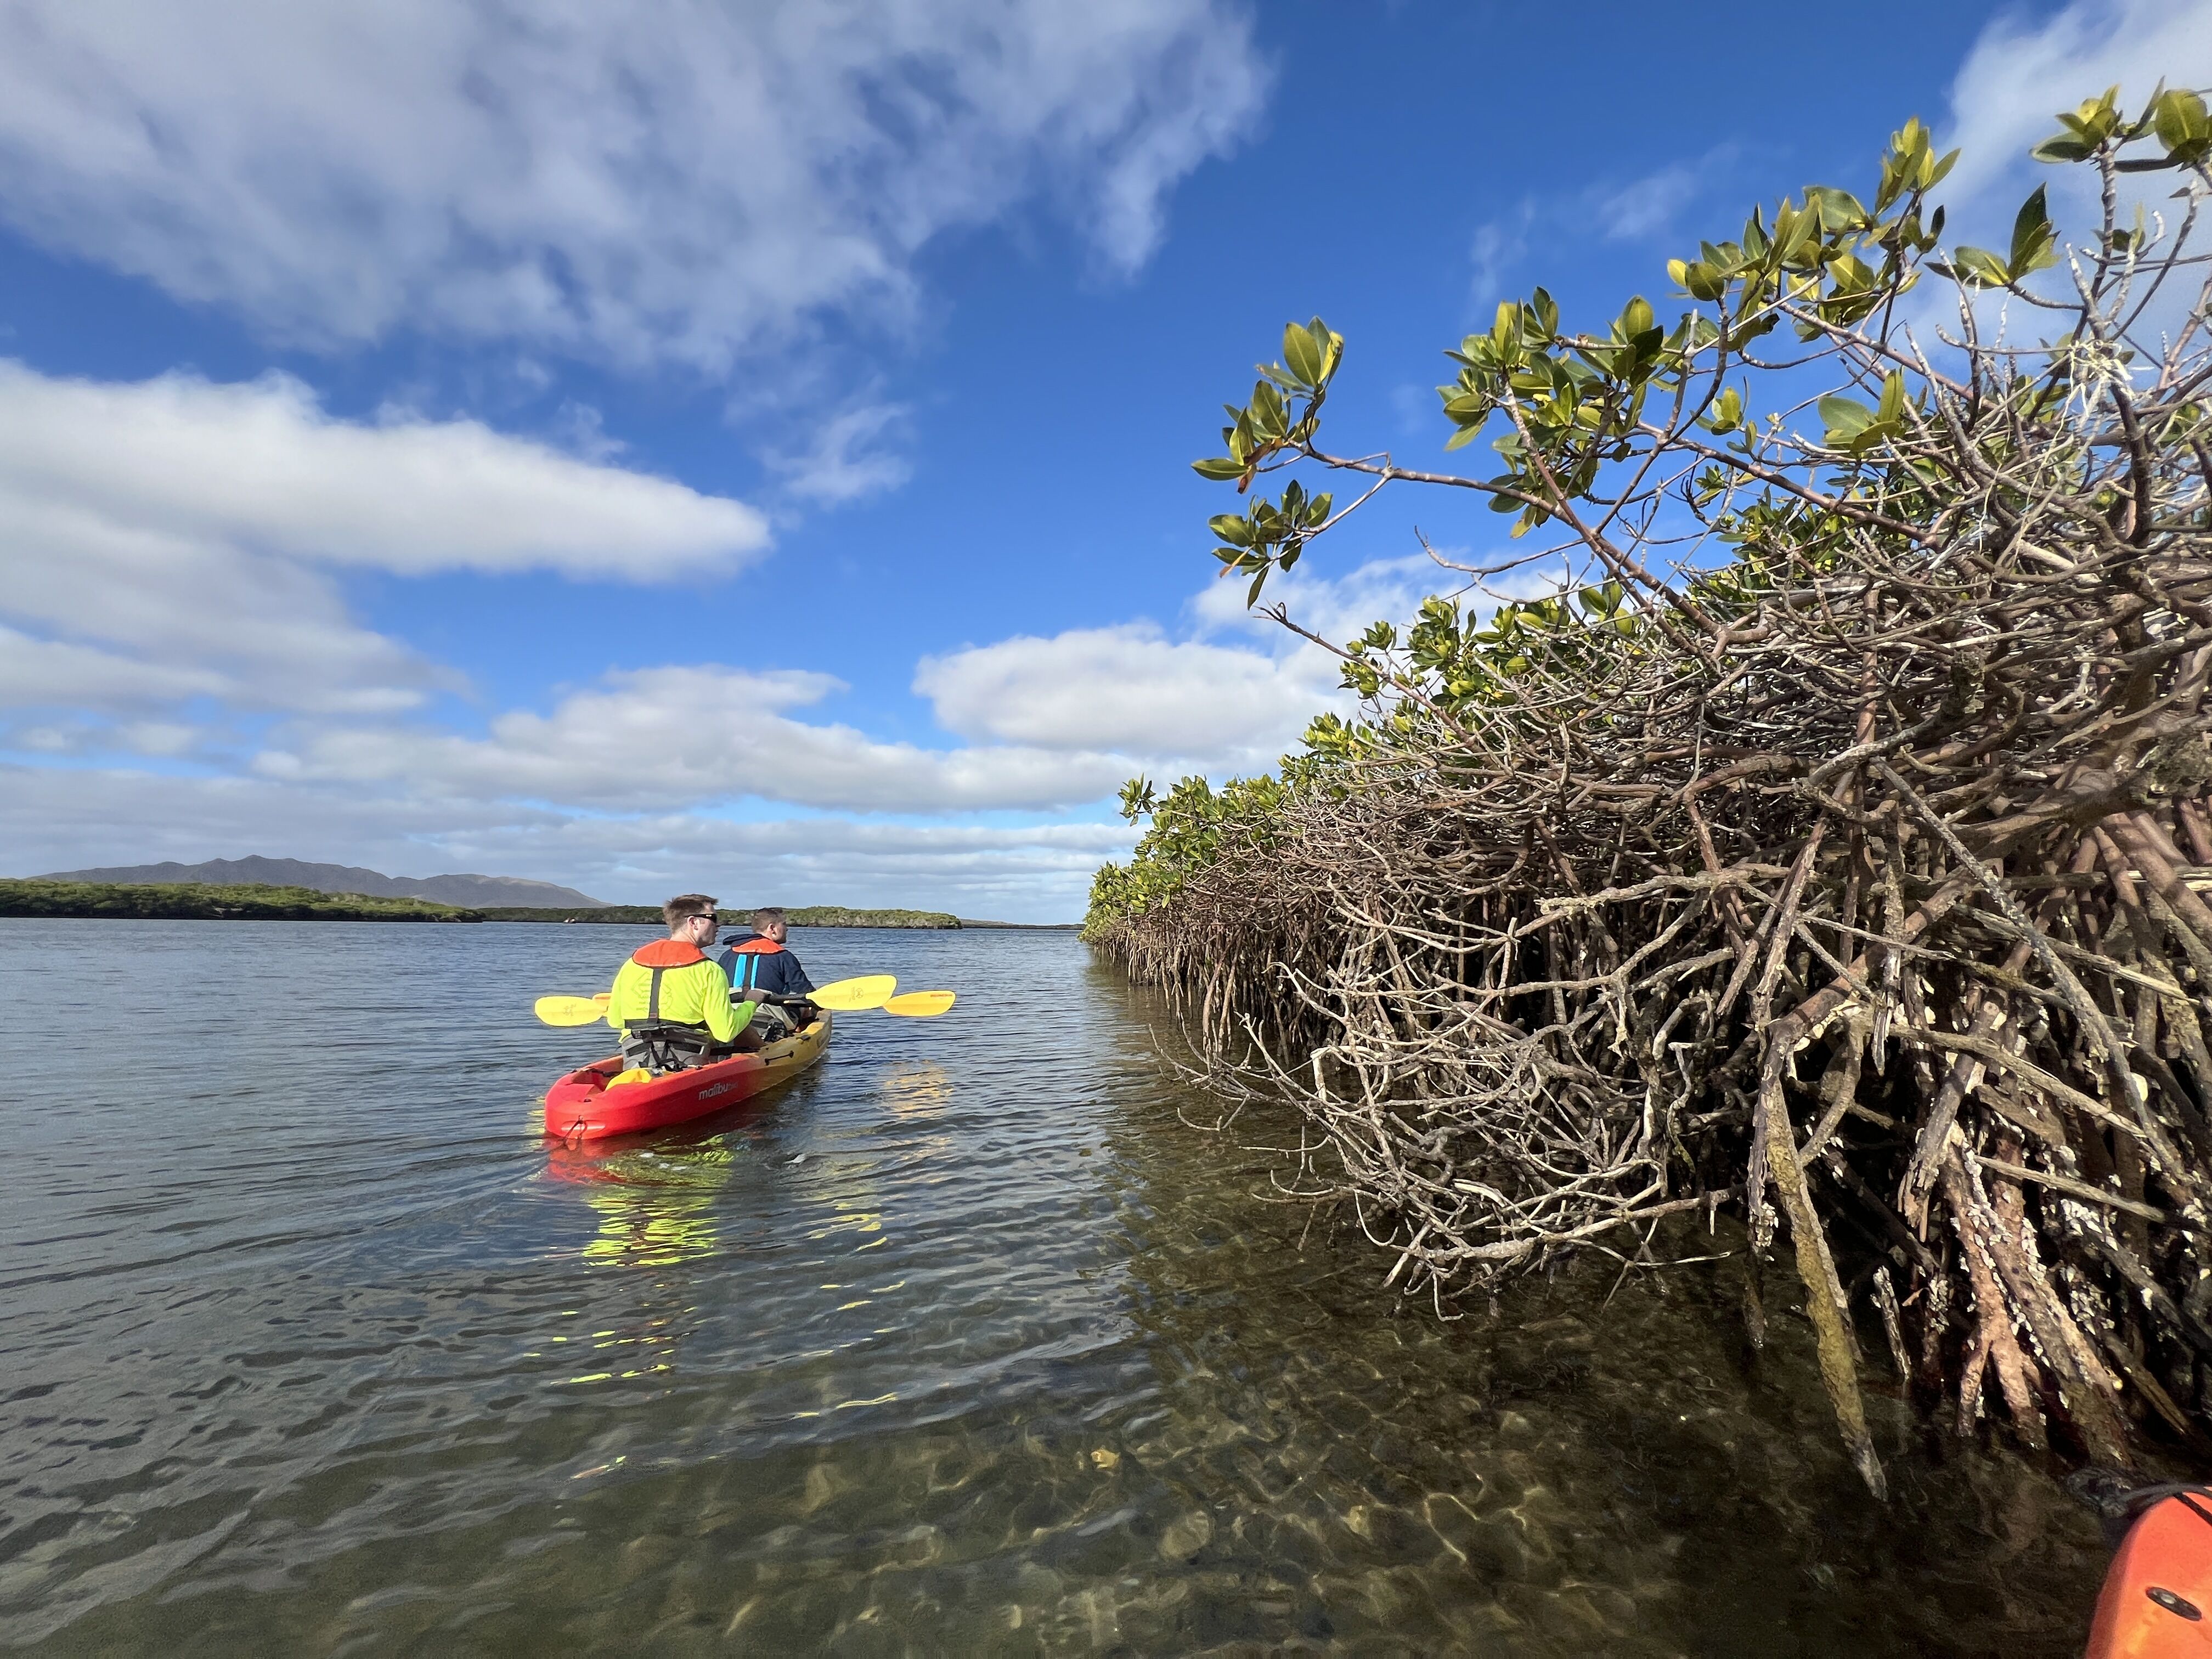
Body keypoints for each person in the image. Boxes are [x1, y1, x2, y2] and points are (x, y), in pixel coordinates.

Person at [605, 894, 762, 1070]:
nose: (718, 925)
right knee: (737, 1027)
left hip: (637, 1054)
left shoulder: (631, 964)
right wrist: (751, 1003)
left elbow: (616, 1021)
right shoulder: (709, 970)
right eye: (713, 918)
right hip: (687, 1059)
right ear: (694, 922)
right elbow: (725, 1032)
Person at [719, 907, 819, 1032]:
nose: (787, 929)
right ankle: (798, 1036)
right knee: (807, 1006)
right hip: (767, 1012)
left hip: (730, 1012)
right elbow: (806, 992)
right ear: (772, 929)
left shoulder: (727, 955)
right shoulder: (783, 956)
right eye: (784, 924)